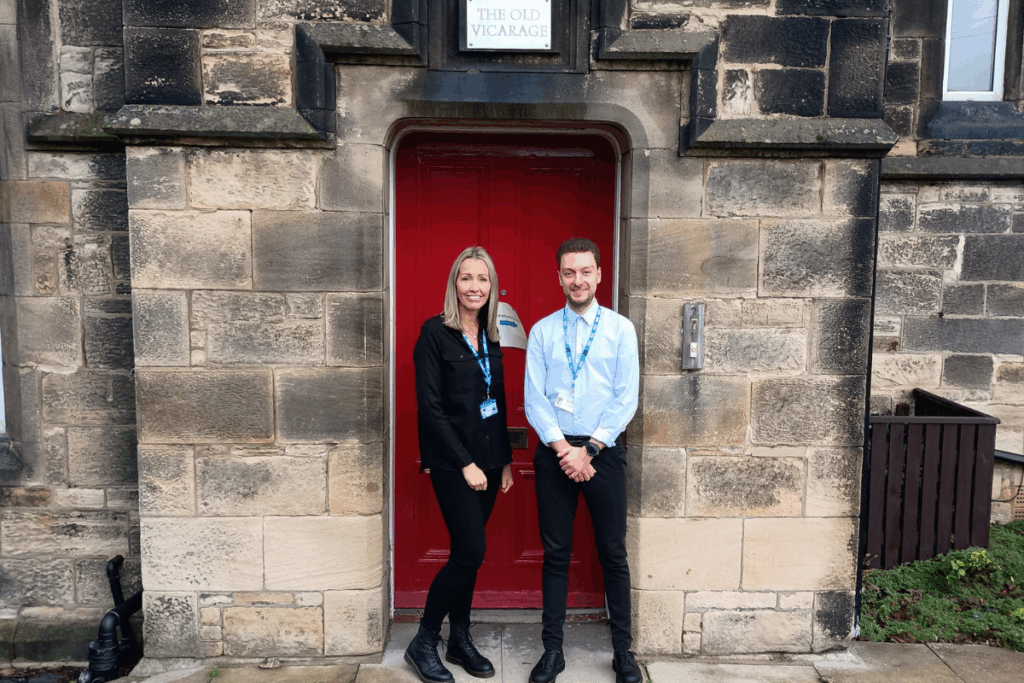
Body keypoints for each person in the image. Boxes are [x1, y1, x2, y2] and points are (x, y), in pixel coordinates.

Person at [524, 237, 641, 683]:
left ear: (598, 274)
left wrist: (589, 450)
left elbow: (625, 397)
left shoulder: (619, 329)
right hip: (556, 451)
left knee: (613, 553)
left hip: (602, 452)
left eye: (585, 271)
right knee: (555, 555)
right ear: (559, 276)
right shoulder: (542, 331)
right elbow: (534, 399)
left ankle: (623, 653)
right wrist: (564, 451)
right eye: (569, 272)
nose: (578, 280)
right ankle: (552, 652)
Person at [405, 246, 515, 683]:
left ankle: (459, 639)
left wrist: (503, 460)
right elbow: (430, 409)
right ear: (455, 284)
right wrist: (467, 462)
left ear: (492, 286)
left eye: (483, 279)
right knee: (471, 551)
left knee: (466, 557)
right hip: (455, 463)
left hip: (489, 461)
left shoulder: (490, 334)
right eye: (467, 278)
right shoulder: (434, 334)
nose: (475, 287)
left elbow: (499, 400)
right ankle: (424, 639)